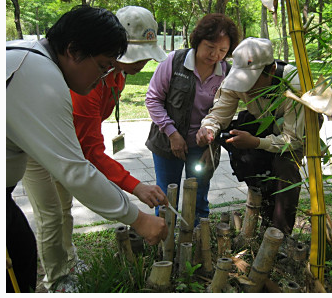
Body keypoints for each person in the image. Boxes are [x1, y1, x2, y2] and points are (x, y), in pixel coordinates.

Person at [6, 5, 168, 293]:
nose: (105, 74)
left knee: (31, 239)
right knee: (42, 227)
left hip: (44, 149)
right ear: (74, 50)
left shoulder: (35, 62)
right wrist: (139, 218)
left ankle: (64, 264)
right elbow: (79, 167)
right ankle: (57, 278)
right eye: (104, 65)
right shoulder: (46, 82)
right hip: (42, 152)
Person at [196, 37, 305, 236]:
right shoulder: (234, 83)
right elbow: (219, 112)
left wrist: (256, 142)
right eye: (241, 80)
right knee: (248, 160)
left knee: (285, 169)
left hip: (292, 132)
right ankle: (263, 210)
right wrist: (209, 128)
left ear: (270, 70)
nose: (245, 88)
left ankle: (280, 235)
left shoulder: (294, 83)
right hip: (261, 124)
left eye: (251, 81)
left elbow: (293, 139)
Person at [145, 13, 239, 226]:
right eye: (210, 47)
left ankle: (197, 241)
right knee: (167, 196)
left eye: (223, 50)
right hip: (167, 142)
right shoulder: (175, 61)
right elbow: (153, 99)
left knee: (198, 196)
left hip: (202, 144)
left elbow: (225, 112)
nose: (215, 55)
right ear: (197, 41)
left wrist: (212, 145)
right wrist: (172, 133)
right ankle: (164, 244)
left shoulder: (227, 72)